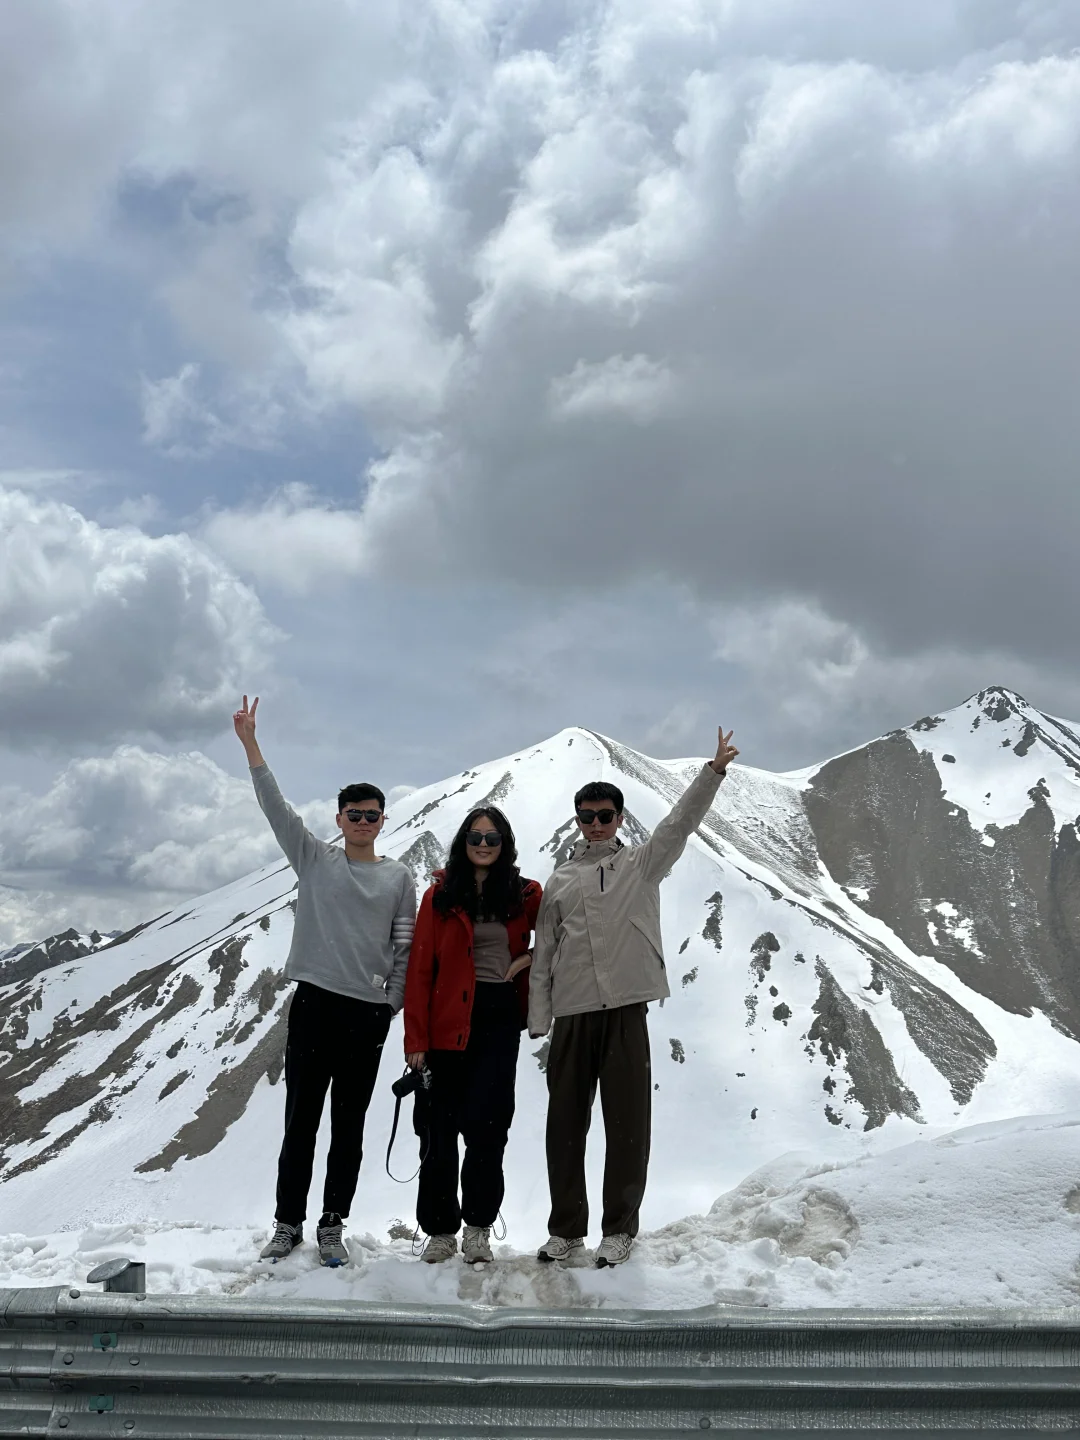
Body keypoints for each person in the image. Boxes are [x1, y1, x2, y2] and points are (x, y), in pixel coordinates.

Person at [528, 725, 739, 1268]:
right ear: (577, 821)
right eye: (587, 816)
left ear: (619, 819)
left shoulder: (642, 864)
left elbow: (679, 825)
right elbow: (545, 948)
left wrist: (711, 773)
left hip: (625, 1008)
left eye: (605, 815)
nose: (596, 824)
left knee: (627, 1125)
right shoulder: (561, 879)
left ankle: (619, 1230)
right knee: (564, 1127)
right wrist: (539, 1017)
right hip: (574, 1011)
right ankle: (566, 1231)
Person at [233, 695, 416, 1268]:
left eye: (372, 815)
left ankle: (332, 1225)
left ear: (383, 821)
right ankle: (288, 1225)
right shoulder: (313, 858)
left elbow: (404, 946)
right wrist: (251, 745)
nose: (362, 822)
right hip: (314, 1004)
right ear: (339, 820)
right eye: (353, 814)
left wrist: (390, 1004)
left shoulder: (397, 876)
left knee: (349, 1128)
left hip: (367, 1014)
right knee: (301, 1122)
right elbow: (276, 809)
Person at [403, 807, 542, 1265]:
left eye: (494, 837)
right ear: (463, 840)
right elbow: (421, 970)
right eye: (476, 836)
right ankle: (441, 1230)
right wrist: (416, 1040)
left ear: (506, 844)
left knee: (488, 1128)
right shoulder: (440, 895)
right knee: (436, 1130)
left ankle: (478, 1227)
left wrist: (528, 960)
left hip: (498, 1019)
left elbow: (565, 936)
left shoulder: (525, 894)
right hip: (445, 1022)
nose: (484, 844)